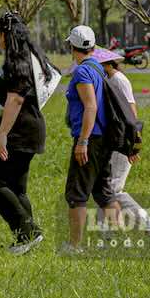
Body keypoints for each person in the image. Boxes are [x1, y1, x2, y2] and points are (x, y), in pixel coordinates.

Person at [0, 12, 53, 255]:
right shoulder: (30, 57)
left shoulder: (17, 61)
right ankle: (28, 239)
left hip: (18, 133)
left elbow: (16, 100)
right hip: (26, 129)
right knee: (17, 189)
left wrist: (2, 135)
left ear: (5, 35)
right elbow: (6, 102)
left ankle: (27, 233)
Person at [60, 25, 122, 254]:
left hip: (90, 139)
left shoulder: (82, 72)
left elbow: (91, 106)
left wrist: (83, 141)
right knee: (103, 191)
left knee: (76, 193)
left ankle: (74, 246)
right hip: (103, 138)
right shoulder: (98, 67)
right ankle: (117, 241)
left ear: (72, 47)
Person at [93, 49, 150, 237]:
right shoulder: (107, 80)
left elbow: (131, 113)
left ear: (106, 64)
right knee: (104, 186)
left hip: (122, 141)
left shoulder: (118, 80)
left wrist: (132, 144)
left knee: (113, 189)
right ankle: (105, 231)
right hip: (112, 140)